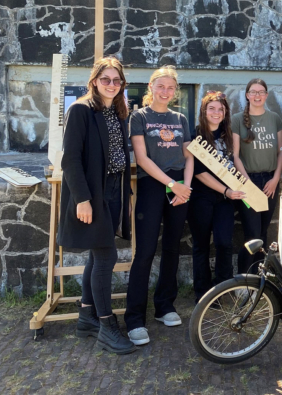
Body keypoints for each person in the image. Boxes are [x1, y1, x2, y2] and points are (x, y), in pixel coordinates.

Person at [58, 57, 136, 354]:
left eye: (117, 80)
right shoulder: (81, 110)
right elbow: (70, 159)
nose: (112, 85)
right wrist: (83, 199)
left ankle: (86, 317)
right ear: (94, 81)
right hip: (93, 193)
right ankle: (106, 326)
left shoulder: (118, 111)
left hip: (114, 190)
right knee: (106, 257)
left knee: (96, 254)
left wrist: (126, 196)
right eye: (106, 79)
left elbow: (118, 156)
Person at [125, 66, 194, 346]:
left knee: (172, 248)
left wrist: (185, 187)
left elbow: (189, 156)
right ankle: (135, 319)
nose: (165, 91)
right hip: (153, 184)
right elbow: (142, 158)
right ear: (151, 87)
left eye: (170, 87)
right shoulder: (139, 117)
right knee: (144, 252)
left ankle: (165, 306)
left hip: (180, 186)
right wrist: (172, 184)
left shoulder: (180, 118)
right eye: (161, 86)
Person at [188, 91, 246, 302]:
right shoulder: (195, 135)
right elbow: (199, 172)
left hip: (225, 200)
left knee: (224, 243)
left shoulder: (228, 135)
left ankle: (223, 289)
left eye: (220, 109)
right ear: (203, 111)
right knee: (201, 245)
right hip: (202, 197)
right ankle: (203, 295)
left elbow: (235, 162)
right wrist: (226, 190)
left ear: (225, 112)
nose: (216, 112)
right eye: (211, 108)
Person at [231, 79, 282, 273]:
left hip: (270, 181)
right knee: (252, 234)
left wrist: (276, 179)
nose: (257, 95)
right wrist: (247, 183)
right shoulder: (237, 119)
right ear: (247, 95)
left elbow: (281, 152)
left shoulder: (275, 118)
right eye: (253, 92)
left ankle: (260, 279)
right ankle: (244, 278)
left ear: (266, 95)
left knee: (262, 232)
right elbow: (235, 155)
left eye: (261, 92)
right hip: (248, 181)